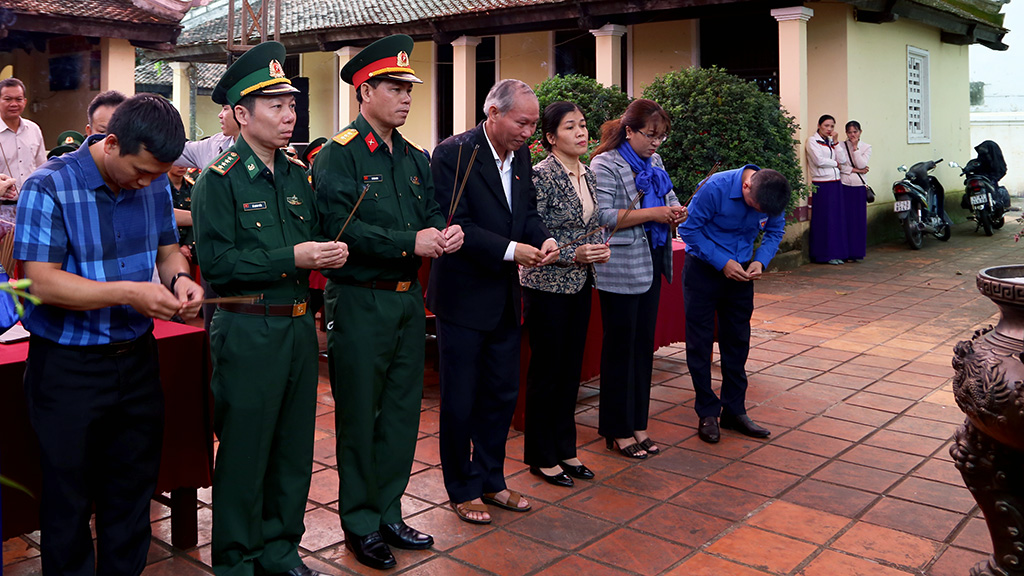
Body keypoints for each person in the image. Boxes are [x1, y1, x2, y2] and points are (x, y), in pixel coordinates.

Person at [12, 93, 202, 575]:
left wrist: (179, 280)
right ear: (111, 142)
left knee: (131, 493)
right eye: (140, 171)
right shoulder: (49, 185)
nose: (147, 183)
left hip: (135, 360)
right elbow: (41, 281)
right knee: (68, 499)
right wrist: (129, 293)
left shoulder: (155, 184)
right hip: (67, 366)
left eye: (157, 175)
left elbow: (168, 252)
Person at [191, 41, 348, 576]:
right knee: (244, 450)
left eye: (292, 104)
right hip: (248, 326)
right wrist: (294, 255)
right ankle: (237, 558)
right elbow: (218, 264)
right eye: (276, 106)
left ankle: (281, 549)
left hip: (298, 327)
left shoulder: (297, 174)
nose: (289, 115)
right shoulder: (218, 181)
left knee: (292, 445)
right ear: (241, 114)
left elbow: (307, 243)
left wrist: (325, 251)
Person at [312, 34, 464, 570]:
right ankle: (358, 521)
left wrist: (444, 233)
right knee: (359, 414)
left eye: (409, 88)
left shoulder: (414, 157)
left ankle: (389, 510)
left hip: (406, 299)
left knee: (402, 414)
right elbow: (337, 229)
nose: (406, 97)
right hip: (359, 300)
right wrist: (410, 242)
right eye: (395, 87)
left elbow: (430, 211)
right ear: (364, 90)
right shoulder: (338, 155)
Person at [428, 79, 558, 524]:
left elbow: (527, 214)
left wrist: (543, 239)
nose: (528, 132)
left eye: (533, 124)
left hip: (504, 296)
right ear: (493, 114)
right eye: (521, 122)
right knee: (460, 399)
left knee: (501, 394)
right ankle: (461, 487)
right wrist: (511, 250)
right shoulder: (454, 153)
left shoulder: (521, 155)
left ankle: (492, 479)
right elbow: (454, 224)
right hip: (463, 297)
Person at [590, 99, 686, 460]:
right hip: (621, 266)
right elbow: (602, 214)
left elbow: (670, 195)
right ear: (628, 131)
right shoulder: (605, 163)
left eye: (661, 137)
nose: (655, 143)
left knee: (643, 346)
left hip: (652, 262)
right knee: (620, 350)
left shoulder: (655, 162)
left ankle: (639, 423)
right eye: (650, 135)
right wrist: (653, 213)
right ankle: (616, 429)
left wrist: (676, 211)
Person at [521, 101, 609, 487]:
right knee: (547, 371)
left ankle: (566, 448)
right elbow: (532, 231)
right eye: (571, 127)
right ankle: (542, 455)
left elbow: (591, 224)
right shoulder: (540, 176)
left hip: (581, 282)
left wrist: (598, 247)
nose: (581, 132)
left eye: (584, 125)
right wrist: (574, 253)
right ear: (551, 138)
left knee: (571, 368)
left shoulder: (587, 174)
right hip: (546, 286)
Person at [680, 165, 791, 444]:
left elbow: (774, 232)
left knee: (737, 341)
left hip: (741, 273)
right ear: (745, 187)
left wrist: (760, 260)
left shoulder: (770, 195)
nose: (758, 214)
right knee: (700, 343)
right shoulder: (715, 188)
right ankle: (707, 412)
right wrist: (721, 262)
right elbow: (688, 229)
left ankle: (734, 410)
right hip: (704, 270)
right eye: (754, 207)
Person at [806, 114, 849, 265]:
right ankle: (823, 254)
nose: (829, 129)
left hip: (835, 182)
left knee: (836, 219)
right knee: (825, 220)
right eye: (826, 126)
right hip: (822, 184)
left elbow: (843, 160)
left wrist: (836, 143)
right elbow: (818, 161)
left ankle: (836, 253)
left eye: (832, 126)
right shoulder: (812, 141)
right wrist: (835, 163)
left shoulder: (831, 142)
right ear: (819, 125)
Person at [0, 77, 45, 223]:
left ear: (24, 102)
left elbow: (42, 168)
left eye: (18, 99)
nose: (14, 104)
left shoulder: (34, 129)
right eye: (8, 99)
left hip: (31, 207)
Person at [839, 120, 871, 262]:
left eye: (855, 132)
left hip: (858, 187)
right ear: (846, 133)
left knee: (857, 221)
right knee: (845, 219)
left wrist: (855, 148)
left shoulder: (866, 147)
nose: (852, 135)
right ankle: (844, 252)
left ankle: (857, 252)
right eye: (850, 132)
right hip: (844, 185)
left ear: (860, 132)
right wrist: (857, 170)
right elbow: (840, 165)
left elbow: (862, 164)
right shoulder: (840, 146)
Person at [176, 103, 240, 169]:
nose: (220, 115)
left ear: (242, 113)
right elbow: (173, 151)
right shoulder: (214, 144)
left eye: (225, 109)